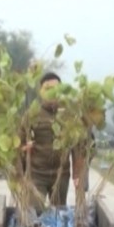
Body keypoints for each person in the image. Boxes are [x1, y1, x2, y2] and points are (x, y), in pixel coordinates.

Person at [20, 72, 86, 208]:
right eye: (48, 89)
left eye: (56, 89)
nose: (52, 93)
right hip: (37, 174)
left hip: (61, 174)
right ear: (41, 91)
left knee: (58, 213)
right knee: (34, 210)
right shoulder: (32, 114)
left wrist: (77, 174)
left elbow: (77, 146)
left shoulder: (68, 114)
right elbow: (19, 143)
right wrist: (24, 149)